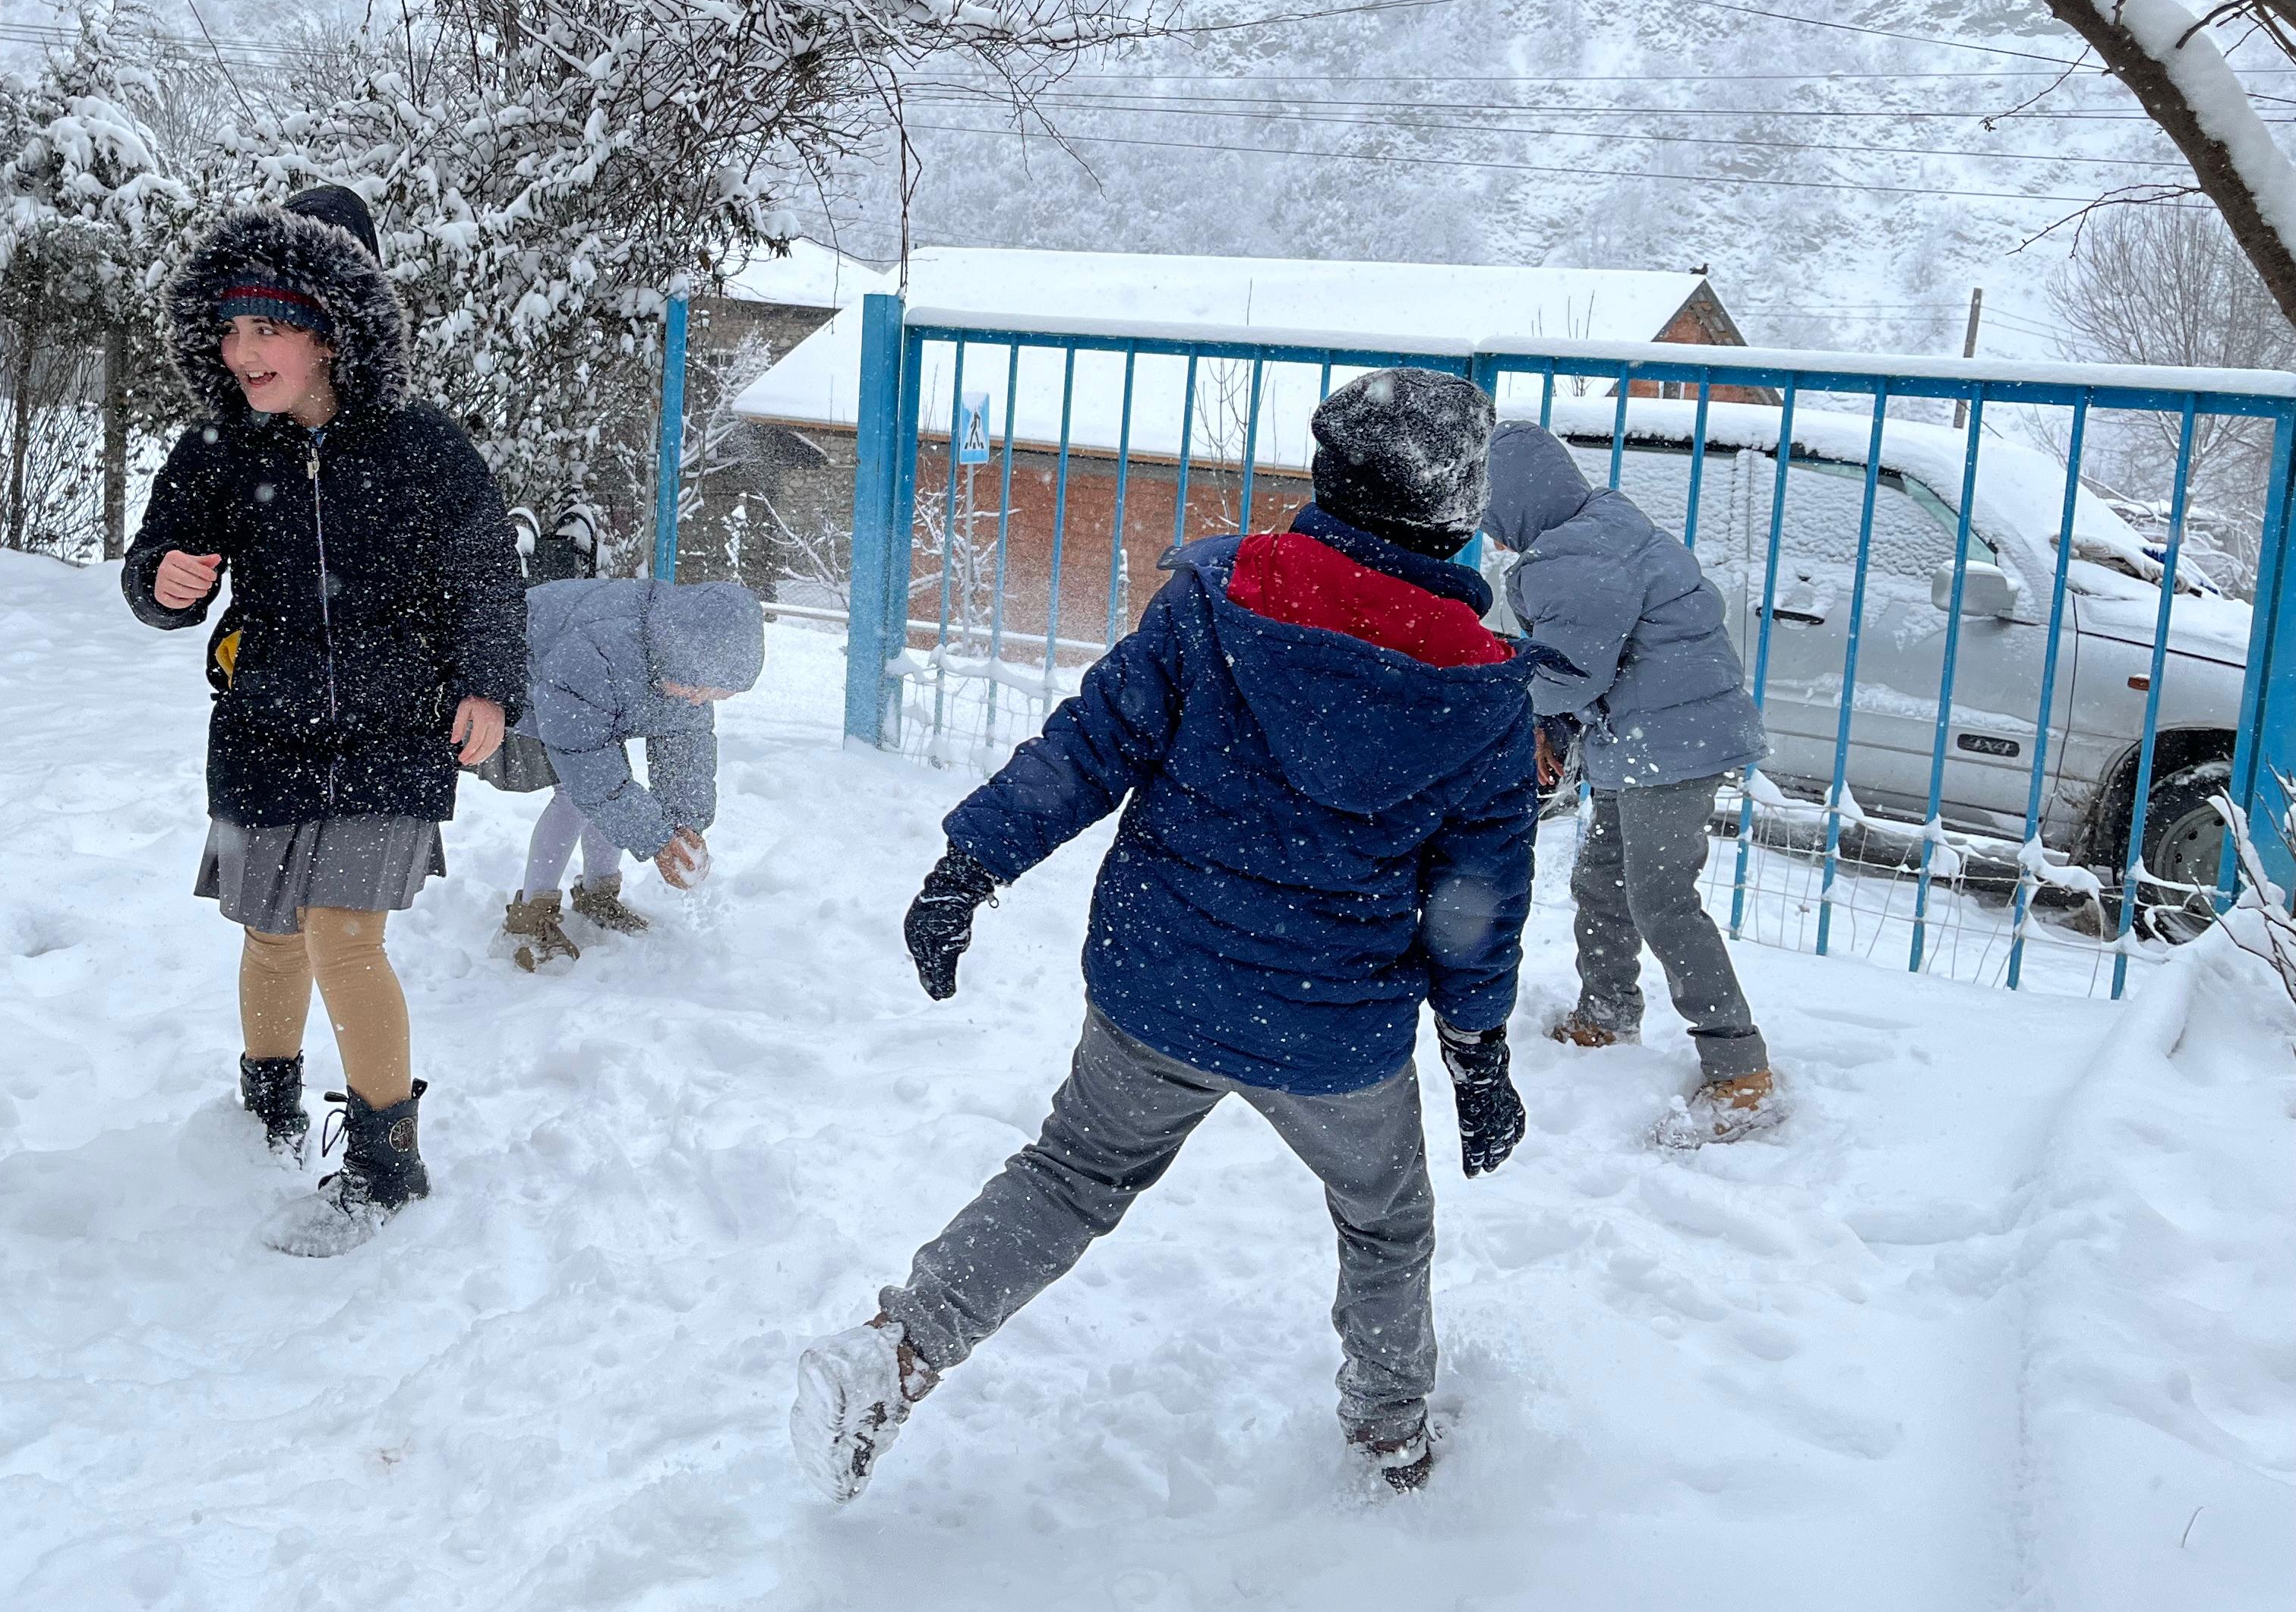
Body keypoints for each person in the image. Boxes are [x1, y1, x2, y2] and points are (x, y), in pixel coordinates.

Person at [793, 368, 1537, 1504]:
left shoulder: (1220, 599)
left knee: (1072, 1175)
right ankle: (1392, 1444)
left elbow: (1091, 746)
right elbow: (1475, 905)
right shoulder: (1479, 693)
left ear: (1331, 478)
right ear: (1454, 512)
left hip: (1165, 984)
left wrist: (970, 864)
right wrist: (1477, 1059)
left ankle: (894, 1359)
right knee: (1386, 1224)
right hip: (1331, 1032)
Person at [122, 184, 526, 1256]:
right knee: (268, 934)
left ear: (337, 330)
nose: (245, 351)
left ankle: (388, 1165)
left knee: (346, 941)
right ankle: (266, 1110)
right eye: (233, 328)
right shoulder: (217, 450)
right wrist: (160, 581)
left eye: (271, 327)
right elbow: (156, 565)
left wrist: (490, 686)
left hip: (395, 731)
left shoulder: (423, 450)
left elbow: (487, 576)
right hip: (264, 730)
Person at [1483, 421, 1779, 1144]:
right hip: (1648, 737)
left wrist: (1512, 705)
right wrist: (1550, 721)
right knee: (1604, 882)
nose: (1489, 535)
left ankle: (1739, 1069)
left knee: (1662, 900)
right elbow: (1588, 662)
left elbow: (1568, 669)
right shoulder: (1597, 529)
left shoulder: (1577, 557)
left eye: (1488, 513)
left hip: (1668, 742)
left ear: (1516, 501)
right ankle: (1605, 1016)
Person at [498, 577, 765, 969]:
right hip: (525, 677)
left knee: (614, 790)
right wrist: (656, 839)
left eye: (710, 695)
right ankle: (529, 918)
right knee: (576, 796)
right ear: (684, 657)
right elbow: (590, 768)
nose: (698, 700)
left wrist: (683, 825)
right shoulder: (599, 650)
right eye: (698, 688)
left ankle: (598, 895)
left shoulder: (683, 659)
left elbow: (685, 750)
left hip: (592, 695)